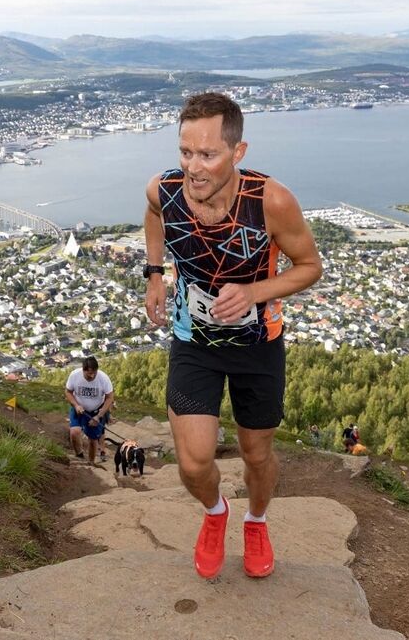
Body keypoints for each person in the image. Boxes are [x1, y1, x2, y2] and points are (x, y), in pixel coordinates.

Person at [143, 92, 323, 580]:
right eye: (185, 152)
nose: (193, 167)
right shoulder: (166, 188)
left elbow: (310, 267)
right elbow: (155, 214)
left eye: (208, 154)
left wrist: (253, 292)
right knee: (194, 460)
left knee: (256, 452)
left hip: (257, 345)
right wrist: (154, 273)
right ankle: (215, 511)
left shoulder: (270, 201)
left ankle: (257, 521)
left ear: (237, 152)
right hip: (192, 340)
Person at [65, 356, 114, 464]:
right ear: (83, 370)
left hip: (96, 412)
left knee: (92, 440)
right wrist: (76, 405)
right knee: (74, 432)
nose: (92, 376)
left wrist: (99, 416)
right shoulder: (74, 375)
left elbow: (110, 397)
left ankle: (91, 462)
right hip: (78, 408)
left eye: (94, 373)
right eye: (89, 374)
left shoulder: (103, 378)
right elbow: (68, 392)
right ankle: (79, 454)